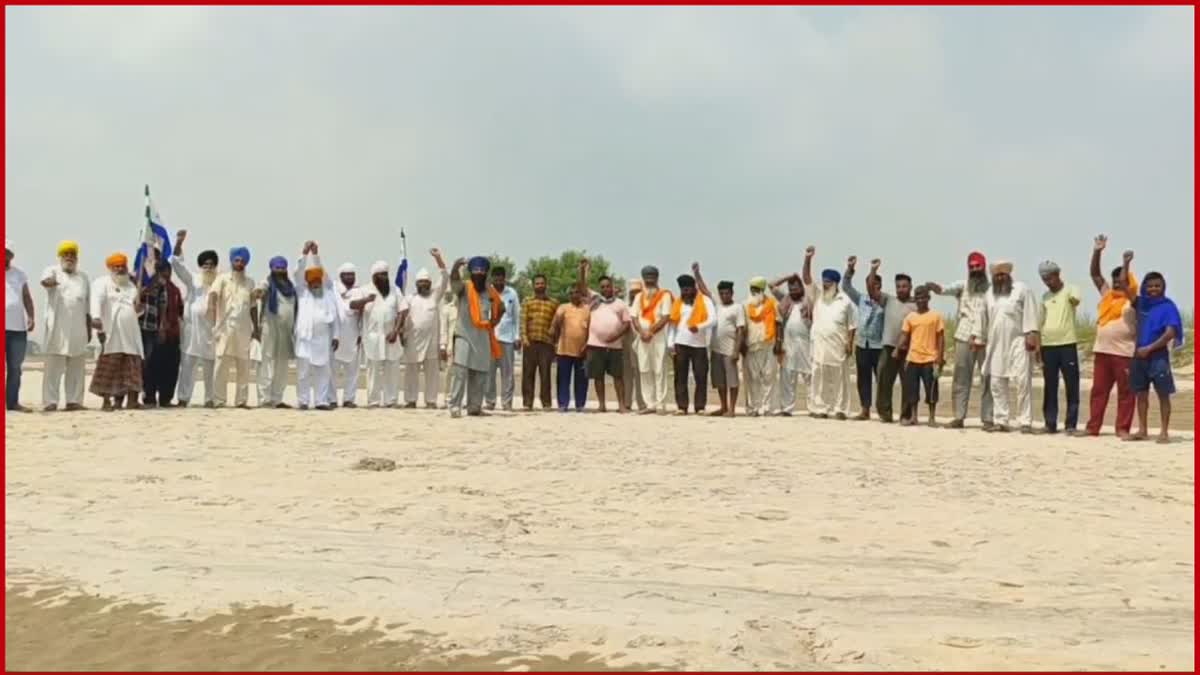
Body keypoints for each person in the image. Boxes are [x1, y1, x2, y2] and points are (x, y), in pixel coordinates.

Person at [927, 252, 994, 429]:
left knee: (988, 377)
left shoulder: (992, 289)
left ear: (983, 267)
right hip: (964, 336)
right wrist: (934, 287)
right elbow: (943, 289)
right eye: (971, 267)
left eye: (977, 266)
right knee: (961, 378)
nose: (974, 270)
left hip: (986, 338)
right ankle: (958, 417)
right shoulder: (962, 286)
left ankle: (988, 419)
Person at [1082, 235, 1137, 437]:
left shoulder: (1133, 301)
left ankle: (1122, 428)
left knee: (1126, 393)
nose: (1116, 284)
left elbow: (1125, 282)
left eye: (1120, 281)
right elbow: (1095, 275)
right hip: (1102, 352)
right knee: (1098, 392)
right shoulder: (1108, 296)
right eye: (1114, 281)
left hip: (1124, 353)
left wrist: (1125, 263)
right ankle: (1092, 427)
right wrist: (1097, 251)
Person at [977, 261, 1040, 433]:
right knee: (997, 382)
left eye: (1003, 274)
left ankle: (1025, 422)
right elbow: (982, 318)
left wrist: (1031, 334)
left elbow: (1030, 312)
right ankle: (1001, 420)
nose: (1000, 278)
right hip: (996, 343)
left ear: (1009, 275)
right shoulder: (989, 294)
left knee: (1022, 382)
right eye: (997, 275)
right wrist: (978, 338)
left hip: (1019, 341)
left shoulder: (1021, 289)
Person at [1126, 269, 1182, 444]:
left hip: (1158, 357)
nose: (1153, 289)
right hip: (1139, 356)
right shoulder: (1141, 303)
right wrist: (1126, 263)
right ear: (1144, 287)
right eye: (1150, 286)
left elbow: (1170, 332)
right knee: (1141, 395)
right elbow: (1125, 286)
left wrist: (1149, 348)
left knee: (1163, 395)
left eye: (1157, 286)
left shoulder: (1168, 306)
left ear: (1163, 287)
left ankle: (1164, 432)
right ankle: (1143, 429)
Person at [803, 247, 858, 420]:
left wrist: (849, 344)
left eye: (828, 282)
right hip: (819, 344)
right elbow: (806, 277)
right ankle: (820, 408)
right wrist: (808, 258)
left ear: (835, 284)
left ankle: (840, 409)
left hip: (838, 346)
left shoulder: (845, 301)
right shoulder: (818, 295)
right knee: (818, 376)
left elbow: (852, 325)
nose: (825, 284)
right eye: (824, 281)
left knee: (840, 378)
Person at [448, 256, 504, 417]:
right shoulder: (464, 287)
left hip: (482, 337)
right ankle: (454, 406)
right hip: (463, 335)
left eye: (482, 271)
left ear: (486, 273)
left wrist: (495, 321)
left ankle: (474, 407)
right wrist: (455, 267)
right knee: (460, 370)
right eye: (475, 271)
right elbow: (454, 284)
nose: (478, 274)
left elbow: (501, 307)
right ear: (470, 273)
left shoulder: (490, 291)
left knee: (480, 373)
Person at [89, 253, 145, 410]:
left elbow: (136, 311)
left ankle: (132, 401)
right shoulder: (101, 283)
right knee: (110, 367)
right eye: (116, 266)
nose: (120, 269)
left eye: (122, 266)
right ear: (110, 268)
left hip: (131, 334)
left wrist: (140, 310)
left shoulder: (132, 286)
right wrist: (96, 317)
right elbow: (97, 300)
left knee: (132, 367)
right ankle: (106, 402)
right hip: (111, 332)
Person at [40, 240, 91, 412]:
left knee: (77, 367)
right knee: (53, 367)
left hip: (78, 329)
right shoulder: (52, 270)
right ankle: (50, 402)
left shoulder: (83, 277)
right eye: (66, 254)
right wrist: (50, 282)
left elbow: (87, 305)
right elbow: (45, 282)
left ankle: (73, 401)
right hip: (57, 328)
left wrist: (89, 328)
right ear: (60, 257)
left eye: (72, 255)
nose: (69, 257)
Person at [293, 243, 342, 411]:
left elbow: (335, 318)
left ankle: (321, 401)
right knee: (303, 373)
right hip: (305, 340)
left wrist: (336, 336)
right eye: (312, 281)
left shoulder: (328, 294)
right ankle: (303, 401)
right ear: (308, 283)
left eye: (317, 280)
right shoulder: (302, 292)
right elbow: (298, 274)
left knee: (323, 372)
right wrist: (304, 255)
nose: (315, 284)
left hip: (322, 340)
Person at [171, 232, 218, 408]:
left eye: (211, 264)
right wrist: (178, 243)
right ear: (200, 266)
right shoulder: (194, 279)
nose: (208, 267)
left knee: (210, 367)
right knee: (187, 367)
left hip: (211, 331)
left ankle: (210, 399)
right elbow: (177, 265)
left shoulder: (220, 281)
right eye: (205, 264)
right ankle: (183, 398)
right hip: (192, 330)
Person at [1037, 260, 1082, 434]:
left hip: (1067, 344)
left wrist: (1070, 297)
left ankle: (1070, 425)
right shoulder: (1044, 297)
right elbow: (1040, 322)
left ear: (1057, 274)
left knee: (1072, 385)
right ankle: (1050, 423)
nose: (1048, 281)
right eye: (1044, 279)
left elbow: (1075, 300)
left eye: (1050, 277)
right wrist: (1037, 348)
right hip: (1048, 345)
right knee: (1050, 385)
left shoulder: (1071, 289)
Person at [582, 259, 632, 413]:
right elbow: (583, 287)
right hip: (595, 345)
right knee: (598, 377)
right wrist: (583, 271)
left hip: (614, 346)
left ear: (613, 287)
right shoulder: (595, 300)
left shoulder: (620, 304)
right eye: (602, 287)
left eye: (608, 286)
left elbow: (626, 324)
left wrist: (615, 336)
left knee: (618, 377)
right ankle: (602, 405)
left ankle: (621, 405)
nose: (605, 289)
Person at [695, 265, 744, 417]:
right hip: (715, 349)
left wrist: (736, 351)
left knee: (732, 381)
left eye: (727, 293)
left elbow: (741, 330)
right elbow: (704, 290)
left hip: (729, 350)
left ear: (732, 293)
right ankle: (723, 407)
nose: (724, 296)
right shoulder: (715, 306)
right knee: (720, 382)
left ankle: (732, 409)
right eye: (721, 293)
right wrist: (697, 274)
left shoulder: (737, 308)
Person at [209, 246, 256, 408]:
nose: (240, 263)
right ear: (231, 261)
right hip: (225, 329)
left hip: (243, 330)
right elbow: (213, 294)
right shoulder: (222, 279)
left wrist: (256, 328)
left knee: (243, 366)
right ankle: (219, 400)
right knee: (221, 365)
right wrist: (211, 312)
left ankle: (241, 401)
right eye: (237, 260)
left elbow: (253, 306)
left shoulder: (250, 282)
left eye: (242, 261)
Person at [358, 260, 409, 408]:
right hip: (372, 337)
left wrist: (396, 330)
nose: (384, 278)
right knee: (373, 370)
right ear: (373, 277)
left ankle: (390, 400)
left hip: (391, 337)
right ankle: (373, 401)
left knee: (392, 369)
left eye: (385, 274)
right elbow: (353, 306)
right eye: (380, 275)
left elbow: (403, 310)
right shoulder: (365, 290)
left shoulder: (395, 290)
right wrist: (366, 300)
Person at [841, 256, 886, 420]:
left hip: (879, 346)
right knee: (863, 379)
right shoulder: (861, 299)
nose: (874, 287)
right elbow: (845, 286)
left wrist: (874, 270)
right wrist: (850, 268)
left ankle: (883, 411)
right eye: (871, 284)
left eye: (876, 284)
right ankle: (865, 410)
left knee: (881, 380)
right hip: (862, 345)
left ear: (880, 286)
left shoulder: (885, 301)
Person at [403, 250, 449, 408]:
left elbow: (444, 278)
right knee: (411, 373)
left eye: (426, 282)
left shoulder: (434, 297)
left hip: (431, 343)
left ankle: (431, 401)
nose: (424, 284)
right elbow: (404, 318)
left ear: (430, 284)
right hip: (413, 342)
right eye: (421, 282)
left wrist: (438, 258)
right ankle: (410, 400)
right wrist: (402, 334)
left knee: (432, 374)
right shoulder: (410, 299)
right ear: (416, 284)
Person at [894, 285, 945, 427]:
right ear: (915, 299)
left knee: (932, 390)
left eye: (923, 297)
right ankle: (913, 417)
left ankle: (932, 418)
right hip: (912, 358)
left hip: (930, 359)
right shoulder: (910, 317)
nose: (921, 300)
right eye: (918, 297)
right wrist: (897, 349)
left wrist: (940, 357)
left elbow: (940, 337)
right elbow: (904, 335)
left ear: (928, 298)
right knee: (912, 390)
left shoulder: (936, 316)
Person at [138, 258, 184, 407]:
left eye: (167, 271)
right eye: (161, 271)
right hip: (151, 333)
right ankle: (149, 397)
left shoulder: (175, 290)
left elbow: (180, 311)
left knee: (170, 368)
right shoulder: (148, 287)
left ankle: (165, 398)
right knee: (150, 367)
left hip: (172, 335)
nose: (165, 274)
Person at [667, 273, 715, 415]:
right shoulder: (678, 303)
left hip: (699, 345)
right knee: (680, 376)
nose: (686, 293)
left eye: (688, 289)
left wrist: (699, 327)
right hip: (680, 344)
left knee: (701, 376)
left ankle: (700, 407)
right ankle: (682, 406)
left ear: (694, 288)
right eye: (683, 290)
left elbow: (713, 320)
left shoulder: (705, 300)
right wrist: (670, 344)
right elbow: (673, 325)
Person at [253, 255, 297, 408]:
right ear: (271, 269)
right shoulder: (267, 283)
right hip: (269, 329)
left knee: (282, 365)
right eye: (277, 268)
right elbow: (260, 290)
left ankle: (277, 398)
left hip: (286, 332)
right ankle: (264, 398)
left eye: (282, 268)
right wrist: (258, 292)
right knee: (266, 363)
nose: (280, 270)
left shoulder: (291, 288)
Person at [630, 265, 673, 414]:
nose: (649, 281)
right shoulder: (638, 296)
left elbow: (666, 317)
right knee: (644, 369)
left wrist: (650, 332)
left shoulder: (665, 295)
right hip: (642, 338)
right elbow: (634, 317)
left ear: (657, 278)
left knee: (659, 369)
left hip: (658, 337)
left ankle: (661, 404)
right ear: (643, 279)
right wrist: (642, 332)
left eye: (652, 278)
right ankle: (650, 404)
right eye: (647, 278)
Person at [876, 269, 917, 423]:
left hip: (908, 349)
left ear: (910, 287)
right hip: (888, 347)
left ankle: (905, 415)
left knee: (908, 383)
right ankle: (885, 414)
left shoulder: (916, 305)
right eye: (898, 286)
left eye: (904, 286)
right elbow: (872, 290)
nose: (901, 289)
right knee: (884, 381)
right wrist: (874, 270)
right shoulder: (888, 300)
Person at [771, 274, 811, 417]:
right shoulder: (785, 299)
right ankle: (787, 408)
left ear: (801, 288)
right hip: (788, 342)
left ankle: (814, 408)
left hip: (806, 342)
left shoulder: (808, 300)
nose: (793, 291)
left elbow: (809, 285)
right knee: (787, 375)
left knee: (809, 375)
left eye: (796, 288)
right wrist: (788, 277)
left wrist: (799, 278)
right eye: (791, 288)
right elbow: (772, 286)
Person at [743, 276, 782, 417]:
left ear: (762, 290)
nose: (754, 292)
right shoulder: (745, 305)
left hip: (769, 345)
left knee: (768, 377)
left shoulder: (772, 304)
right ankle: (753, 407)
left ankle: (767, 408)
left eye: (756, 289)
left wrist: (779, 342)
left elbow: (779, 323)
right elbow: (742, 327)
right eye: (752, 289)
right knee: (752, 378)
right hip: (751, 346)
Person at [520, 273, 559, 411]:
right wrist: (524, 337)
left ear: (546, 285)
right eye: (537, 283)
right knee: (528, 374)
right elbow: (523, 320)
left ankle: (546, 403)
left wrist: (556, 342)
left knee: (546, 374)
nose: (540, 286)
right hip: (530, 342)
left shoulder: (553, 303)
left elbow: (557, 324)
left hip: (547, 343)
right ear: (533, 285)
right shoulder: (527, 301)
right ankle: (527, 403)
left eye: (542, 283)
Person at [551, 282, 591, 412]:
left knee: (582, 380)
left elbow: (591, 329)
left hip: (582, 350)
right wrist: (558, 321)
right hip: (564, 349)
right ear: (568, 295)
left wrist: (587, 345)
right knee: (563, 379)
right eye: (571, 293)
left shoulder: (587, 309)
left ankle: (580, 405)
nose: (574, 295)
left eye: (577, 292)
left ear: (581, 294)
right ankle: (563, 404)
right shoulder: (563, 307)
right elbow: (553, 329)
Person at [485, 265, 521, 412]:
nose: (499, 282)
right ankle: (490, 401)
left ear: (505, 279)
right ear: (492, 279)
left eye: (501, 279)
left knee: (508, 373)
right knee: (489, 373)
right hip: (490, 337)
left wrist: (517, 336)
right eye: (496, 279)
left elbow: (516, 317)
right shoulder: (487, 292)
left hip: (507, 339)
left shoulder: (512, 293)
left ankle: (507, 402)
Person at [5, 240, 35, 412]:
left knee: (15, 368)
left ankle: (12, 403)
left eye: (7, 252)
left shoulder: (19, 275)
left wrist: (31, 317)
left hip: (17, 329)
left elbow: (27, 297)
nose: (4, 255)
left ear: (11, 255)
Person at [332, 263, 363, 408]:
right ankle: (331, 398)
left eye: (352, 274)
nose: (350, 277)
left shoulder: (359, 291)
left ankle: (349, 399)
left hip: (353, 336)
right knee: (332, 372)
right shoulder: (333, 290)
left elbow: (362, 313)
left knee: (353, 372)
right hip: (335, 337)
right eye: (347, 274)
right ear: (341, 276)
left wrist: (361, 333)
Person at [621, 279, 647, 412]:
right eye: (632, 292)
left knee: (640, 374)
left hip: (641, 345)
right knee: (627, 374)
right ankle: (626, 403)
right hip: (626, 344)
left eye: (637, 292)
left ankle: (642, 403)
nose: (634, 295)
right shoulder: (625, 307)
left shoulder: (646, 308)